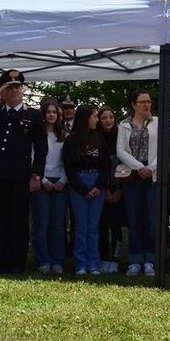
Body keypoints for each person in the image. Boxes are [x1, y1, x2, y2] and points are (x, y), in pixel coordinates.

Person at [0, 69, 47, 274]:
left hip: (20, 177)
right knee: (0, 220)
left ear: (22, 91)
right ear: (2, 92)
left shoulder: (33, 115)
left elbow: (41, 149)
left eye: (17, 87)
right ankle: (2, 261)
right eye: (9, 88)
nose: (14, 91)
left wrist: (36, 175)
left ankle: (17, 262)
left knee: (19, 220)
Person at [117, 88, 158, 276]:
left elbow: (162, 148)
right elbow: (120, 151)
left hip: (152, 176)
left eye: (148, 101)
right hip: (132, 177)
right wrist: (139, 167)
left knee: (150, 221)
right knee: (134, 220)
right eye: (142, 102)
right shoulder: (124, 125)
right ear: (134, 105)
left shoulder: (157, 122)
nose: (146, 105)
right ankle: (134, 260)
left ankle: (149, 260)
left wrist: (151, 168)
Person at [64, 105, 109, 276]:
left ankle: (94, 263)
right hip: (79, 184)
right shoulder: (71, 141)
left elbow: (106, 165)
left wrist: (98, 186)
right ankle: (81, 264)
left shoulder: (99, 139)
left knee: (93, 227)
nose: (97, 120)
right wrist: (83, 190)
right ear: (85, 119)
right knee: (81, 227)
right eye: (94, 116)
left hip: (97, 183)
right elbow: (69, 169)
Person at [32, 98, 68, 275]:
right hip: (42, 181)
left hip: (61, 182)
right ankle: (43, 260)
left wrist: (62, 180)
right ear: (43, 114)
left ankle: (57, 261)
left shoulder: (64, 136)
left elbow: (68, 161)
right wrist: (43, 180)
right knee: (42, 223)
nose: (52, 115)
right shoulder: (36, 135)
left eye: (54, 112)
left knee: (58, 224)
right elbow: (33, 159)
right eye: (48, 112)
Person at [96, 106, 125, 273]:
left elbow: (125, 164)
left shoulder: (121, 138)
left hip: (119, 188)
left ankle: (114, 258)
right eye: (104, 118)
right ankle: (103, 257)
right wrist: (104, 188)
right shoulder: (95, 138)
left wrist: (119, 188)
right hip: (101, 189)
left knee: (116, 225)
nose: (108, 120)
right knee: (102, 224)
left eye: (111, 117)